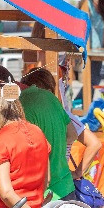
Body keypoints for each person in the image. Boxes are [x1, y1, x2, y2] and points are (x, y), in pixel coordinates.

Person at [20, 68, 74, 200]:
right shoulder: (53, 100)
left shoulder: (23, 104)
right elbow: (72, 134)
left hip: (43, 192)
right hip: (65, 185)